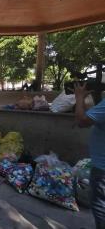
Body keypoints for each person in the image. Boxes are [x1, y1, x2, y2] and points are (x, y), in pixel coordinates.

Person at [74, 82, 105, 229]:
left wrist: (79, 98)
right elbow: (91, 117)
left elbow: (81, 121)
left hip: (102, 169)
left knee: (100, 205)